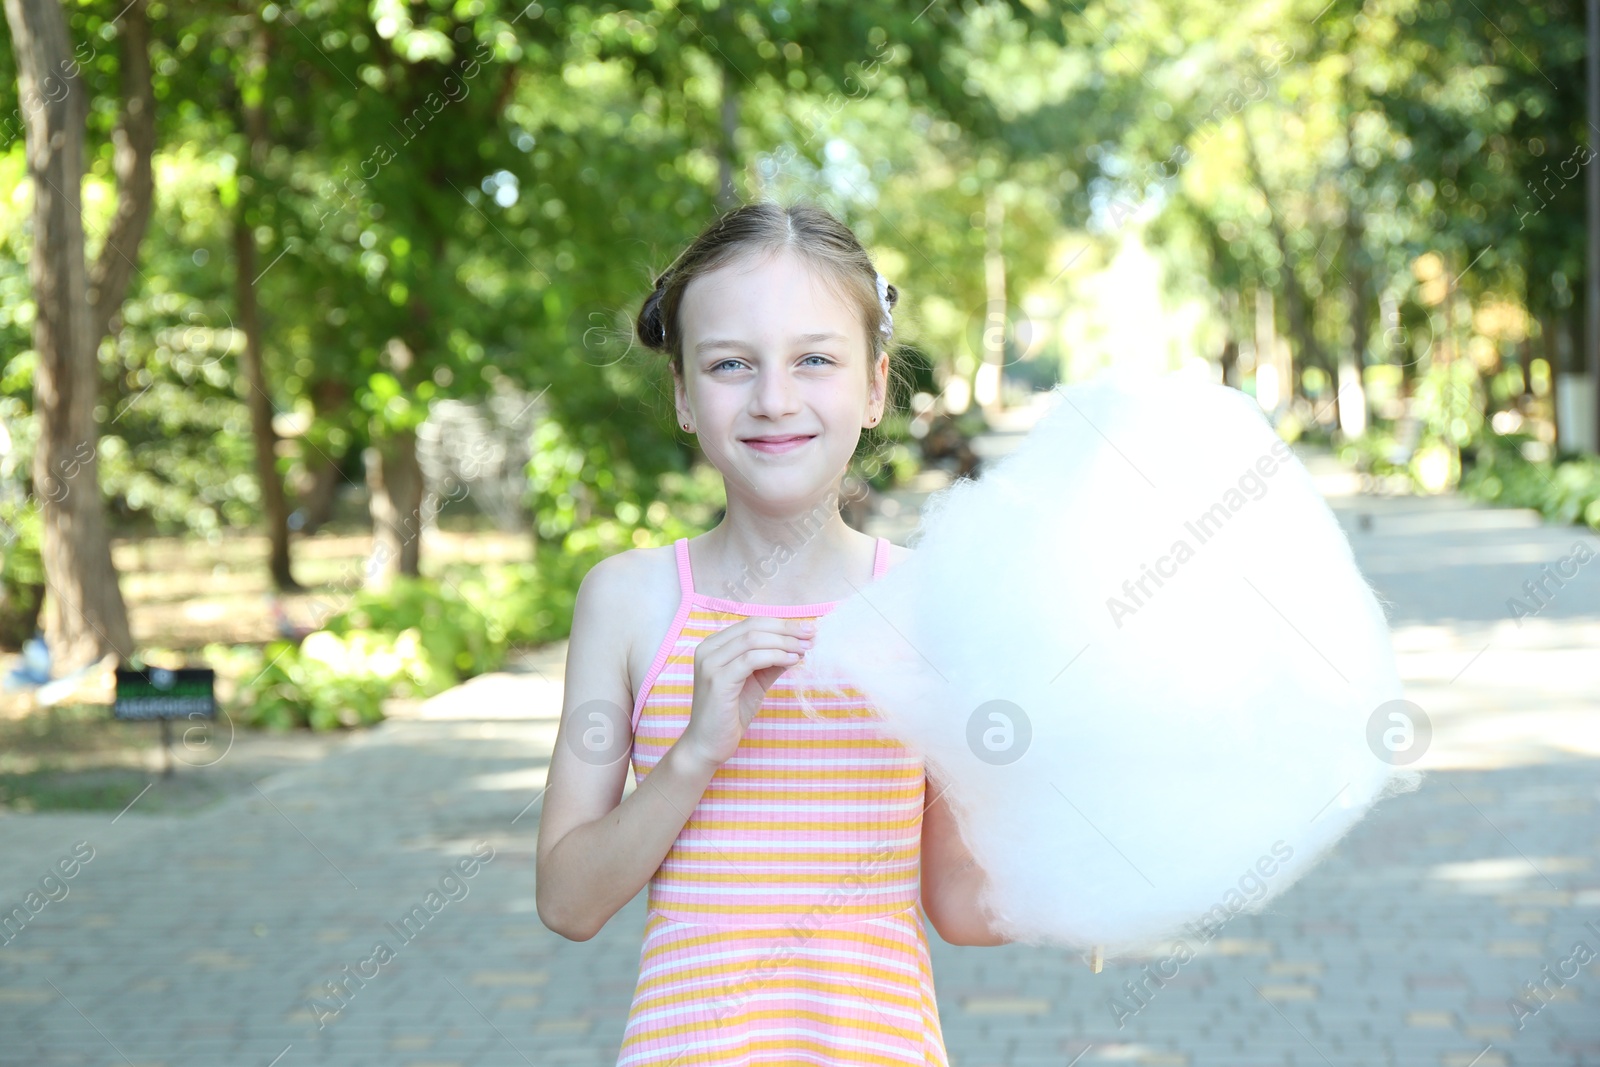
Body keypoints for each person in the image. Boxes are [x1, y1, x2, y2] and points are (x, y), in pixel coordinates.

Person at [535, 200, 1009, 1067]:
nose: (774, 398)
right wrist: (694, 751)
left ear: (873, 387)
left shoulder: (932, 604)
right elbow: (569, 901)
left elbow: (961, 905)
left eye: (815, 359)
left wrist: (1108, 862)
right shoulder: (630, 601)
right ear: (682, 393)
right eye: (729, 364)